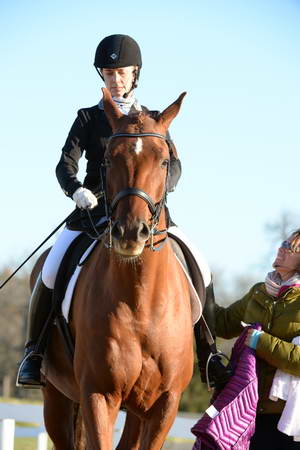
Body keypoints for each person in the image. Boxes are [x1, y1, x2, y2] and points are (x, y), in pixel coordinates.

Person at [17, 34, 217, 388]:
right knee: (50, 270)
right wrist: (76, 190)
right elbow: (65, 164)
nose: (115, 79)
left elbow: (176, 166)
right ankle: (35, 353)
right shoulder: (88, 117)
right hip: (92, 211)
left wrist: (156, 190)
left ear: (135, 73)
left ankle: (210, 354)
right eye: (108, 73)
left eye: (121, 72)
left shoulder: (154, 121)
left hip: (146, 214)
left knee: (199, 263)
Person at [215, 230, 300, 449]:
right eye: (283, 243)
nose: (282, 248)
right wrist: (197, 291)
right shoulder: (259, 292)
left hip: (286, 419)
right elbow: (222, 323)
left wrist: (260, 341)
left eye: (290, 247)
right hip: (247, 411)